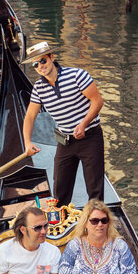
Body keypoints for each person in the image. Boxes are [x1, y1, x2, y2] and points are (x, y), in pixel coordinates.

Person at [23, 42, 105, 207]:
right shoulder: (38, 88)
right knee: (59, 188)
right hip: (64, 140)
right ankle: (62, 223)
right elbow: (30, 117)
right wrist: (27, 142)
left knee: (94, 189)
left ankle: (97, 224)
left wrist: (83, 124)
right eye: (35, 64)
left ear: (52, 58)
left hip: (90, 136)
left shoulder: (77, 76)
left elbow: (97, 101)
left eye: (43, 61)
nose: (40, 66)